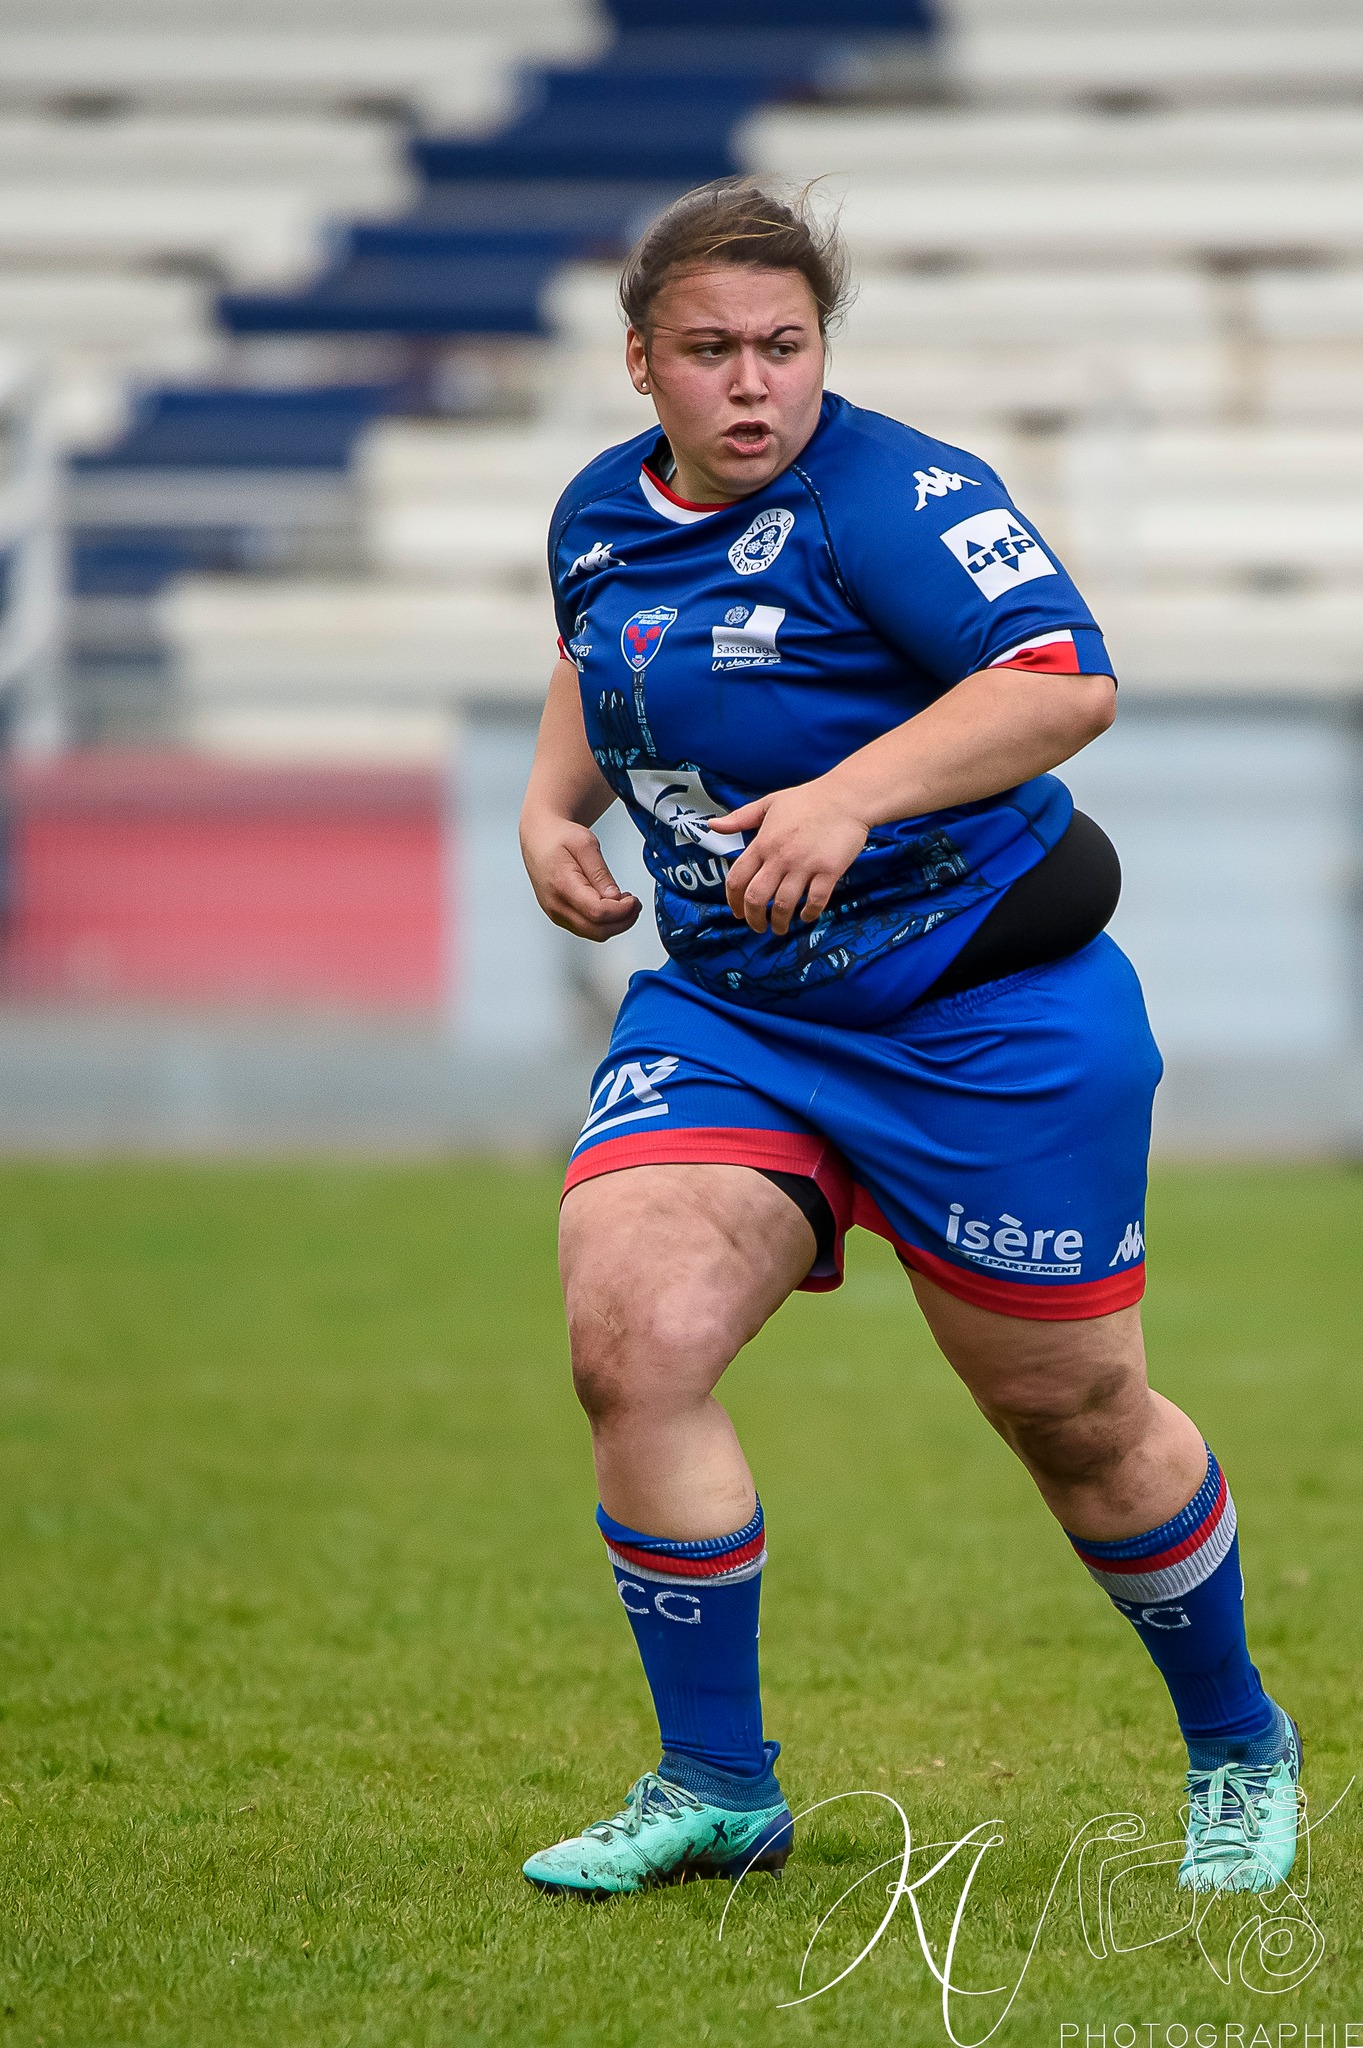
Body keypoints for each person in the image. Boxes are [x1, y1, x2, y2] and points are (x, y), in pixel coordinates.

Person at [516, 179, 1300, 1900]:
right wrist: (549, 806)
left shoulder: (901, 496)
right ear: (640, 362)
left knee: (1078, 1421)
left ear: (821, 355)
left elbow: (1061, 677)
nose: (751, 385)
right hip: (735, 1013)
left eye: (783, 348)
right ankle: (718, 1785)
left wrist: (851, 797)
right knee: (630, 1335)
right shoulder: (594, 508)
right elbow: (600, 654)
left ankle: (1238, 1741)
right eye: (710, 351)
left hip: (990, 1023)